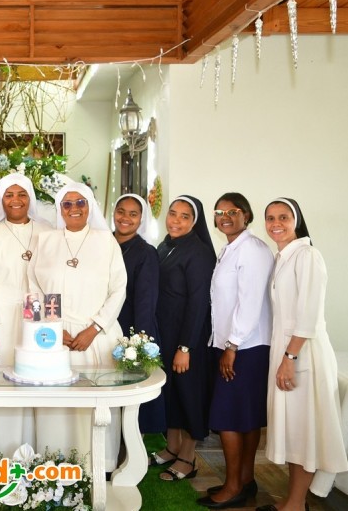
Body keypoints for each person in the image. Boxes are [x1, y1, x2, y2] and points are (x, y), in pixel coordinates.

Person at [27, 182, 127, 472]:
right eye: (67, 204)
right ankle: (54, 464)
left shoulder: (106, 240)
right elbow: (33, 287)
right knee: (56, 408)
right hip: (54, 337)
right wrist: (53, 327)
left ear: (90, 207)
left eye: (80, 203)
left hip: (97, 336)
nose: (74, 209)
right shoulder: (45, 240)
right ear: (60, 209)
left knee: (96, 407)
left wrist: (94, 328)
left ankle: (98, 466)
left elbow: (119, 289)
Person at [258, 198, 348, 511]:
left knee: (306, 432)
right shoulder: (283, 256)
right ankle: (293, 501)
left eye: (283, 217)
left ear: (296, 221)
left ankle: (295, 504)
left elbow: (309, 314)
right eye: (270, 218)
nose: (276, 224)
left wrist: (290, 358)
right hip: (287, 353)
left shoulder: (308, 255)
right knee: (296, 432)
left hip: (302, 355)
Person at [196, 192, 273, 509]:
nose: (225, 217)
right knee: (245, 416)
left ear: (247, 215)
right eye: (220, 212)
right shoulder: (230, 249)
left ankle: (233, 487)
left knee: (228, 417)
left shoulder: (252, 250)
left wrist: (232, 345)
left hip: (245, 346)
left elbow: (250, 302)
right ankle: (244, 480)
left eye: (233, 211)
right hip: (232, 344)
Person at [0, 174, 52, 459]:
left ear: (30, 198)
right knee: (1, 385)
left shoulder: (47, 231)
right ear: (0, 200)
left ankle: (37, 452)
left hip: (39, 319)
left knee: (37, 383)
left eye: (22, 194)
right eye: (9, 195)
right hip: (1, 321)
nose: (15, 200)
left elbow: (54, 280)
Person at [154, 195, 216, 482]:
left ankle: (188, 458)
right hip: (166, 334)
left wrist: (185, 347)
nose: (176, 221)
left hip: (187, 336)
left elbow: (198, 303)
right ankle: (172, 447)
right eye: (173, 214)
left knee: (189, 394)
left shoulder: (199, 253)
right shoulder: (165, 245)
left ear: (195, 222)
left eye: (184, 216)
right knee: (172, 393)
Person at [112, 193, 165, 435]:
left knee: (131, 397)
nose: (125, 218)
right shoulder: (103, 243)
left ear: (141, 219)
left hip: (130, 330)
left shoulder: (145, 252)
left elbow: (146, 301)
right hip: (102, 329)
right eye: (121, 211)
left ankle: (133, 447)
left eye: (133, 214)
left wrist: (138, 342)